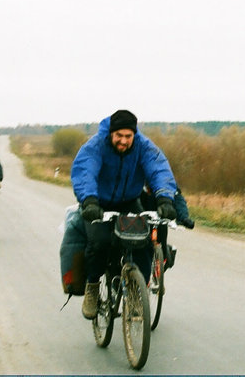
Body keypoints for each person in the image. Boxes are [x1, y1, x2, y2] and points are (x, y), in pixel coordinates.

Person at [71, 109, 178, 320]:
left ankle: (138, 293)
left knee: (144, 241)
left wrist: (164, 198)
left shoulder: (143, 146)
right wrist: (89, 200)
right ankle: (92, 287)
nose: (123, 141)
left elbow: (158, 169)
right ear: (111, 133)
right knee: (99, 242)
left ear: (134, 135)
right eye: (119, 136)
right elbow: (85, 170)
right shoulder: (97, 145)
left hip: (129, 201)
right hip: (98, 202)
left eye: (128, 136)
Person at [140, 185, 195, 269]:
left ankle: (166, 254)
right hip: (138, 219)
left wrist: (184, 218)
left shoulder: (164, 179)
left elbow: (177, 198)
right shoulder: (135, 178)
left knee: (162, 251)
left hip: (159, 218)